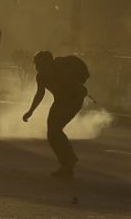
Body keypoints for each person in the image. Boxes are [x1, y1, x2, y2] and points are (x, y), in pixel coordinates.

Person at [22, 50, 88, 178]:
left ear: (48, 63)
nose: (37, 67)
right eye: (36, 64)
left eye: (40, 64)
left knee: (55, 130)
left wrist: (71, 109)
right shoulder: (41, 77)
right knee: (52, 133)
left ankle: (68, 161)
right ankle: (67, 164)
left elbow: (82, 91)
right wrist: (30, 111)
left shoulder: (62, 73)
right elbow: (40, 94)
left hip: (73, 102)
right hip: (59, 102)